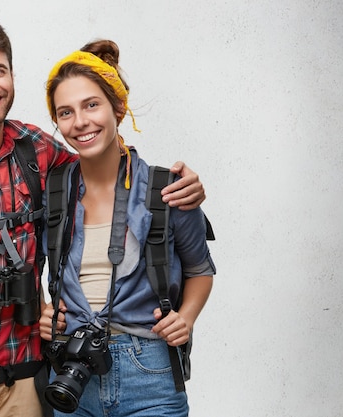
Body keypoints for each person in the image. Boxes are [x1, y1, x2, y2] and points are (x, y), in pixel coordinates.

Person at [0, 16, 206, 417]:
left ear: (12, 75)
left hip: (28, 383)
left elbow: (101, 156)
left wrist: (180, 185)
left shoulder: (34, 150)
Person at [38, 40, 216, 417]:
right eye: (65, 112)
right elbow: (18, 256)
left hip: (150, 371)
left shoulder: (168, 189)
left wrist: (185, 318)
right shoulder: (52, 190)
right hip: (72, 372)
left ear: (118, 108)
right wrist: (45, 309)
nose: (80, 122)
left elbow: (200, 268)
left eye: (91, 104)